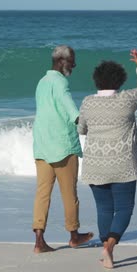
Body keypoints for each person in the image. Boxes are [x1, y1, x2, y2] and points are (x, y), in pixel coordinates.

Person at [77, 49, 137, 268]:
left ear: (96, 81)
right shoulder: (127, 100)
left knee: (104, 209)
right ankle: (110, 246)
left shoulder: (88, 102)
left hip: (95, 164)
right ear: (120, 81)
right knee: (125, 207)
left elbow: (81, 129)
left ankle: (104, 246)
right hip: (123, 164)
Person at [32, 45, 93, 254]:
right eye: (72, 61)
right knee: (69, 194)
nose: (74, 65)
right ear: (61, 61)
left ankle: (39, 241)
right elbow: (71, 111)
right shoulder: (61, 83)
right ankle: (74, 236)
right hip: (63, 146)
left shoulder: (41, 82)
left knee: (42, 193)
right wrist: (89, 126)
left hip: (41, 145)